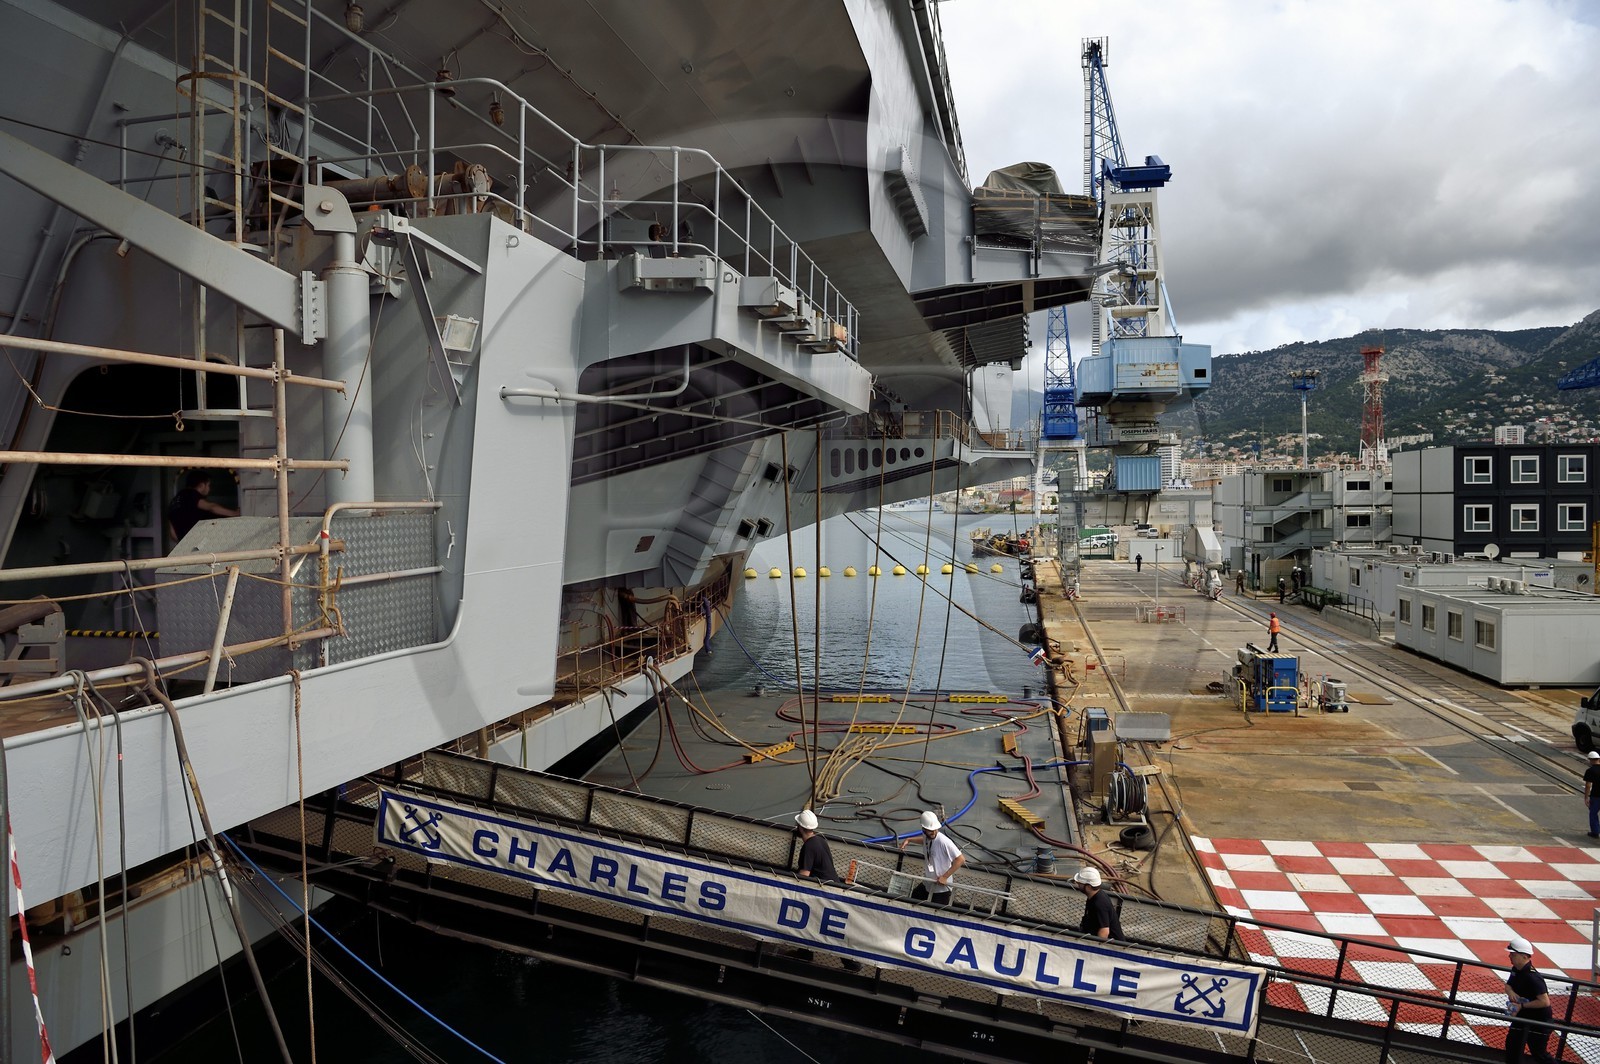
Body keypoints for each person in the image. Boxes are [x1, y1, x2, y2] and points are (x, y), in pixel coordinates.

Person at [794, 811, 862, 970]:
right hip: (834, 889)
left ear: (800, 827)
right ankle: (805, 953)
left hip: (823, 893)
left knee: (819, 925)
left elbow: (804, 875)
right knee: (821, 925)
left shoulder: (808, 847)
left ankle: (850, 963)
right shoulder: (820, 840)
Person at [1504, 936, 1557, 1063]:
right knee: (1512, 1046)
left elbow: (1544, 1001)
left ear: (1524, 956)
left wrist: (1521, 1006)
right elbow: (1508, 985)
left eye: (1513, 954)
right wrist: (1510, 992)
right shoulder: (1516, 970)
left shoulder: (1533, 978)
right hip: (1523, 1017)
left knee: (1539, 1053)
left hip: (1539, 1021)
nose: (1510, 957)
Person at [901, 811, 964, 904]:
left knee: (936, 912)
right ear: (924, 829)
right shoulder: (927, 836)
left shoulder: (944, 842)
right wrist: (909, 840)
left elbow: (960, 859)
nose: (933, 832)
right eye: (930, 830)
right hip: (929, 882)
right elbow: (925, 840)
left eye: (935, 829)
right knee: (914, 897)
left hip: (941, 889)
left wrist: (944, 877)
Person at [167, 470, 238, 544]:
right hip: (203, 541)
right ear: (202, 485)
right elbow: (211, 507)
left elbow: (173, 534)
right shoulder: (190, 494)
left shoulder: (173, 502)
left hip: (189, 544)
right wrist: (235, 513)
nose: (209, 489)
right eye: (208, 485)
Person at [1072, 867, 1123, 941]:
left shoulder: (1099, 903)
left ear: (1088, 887)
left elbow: (1104, 931)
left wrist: (1096, 948)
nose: (1077, 884)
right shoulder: (1094, 897)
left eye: (1080, 883)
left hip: (1113, 948)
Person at [1583, 751, 1600, 839]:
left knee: (1593, 814)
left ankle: (1595, 832)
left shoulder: (1590, 771)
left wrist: (1586, 797)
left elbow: (1588, 785)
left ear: (1590, 760)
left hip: (1596, 796)